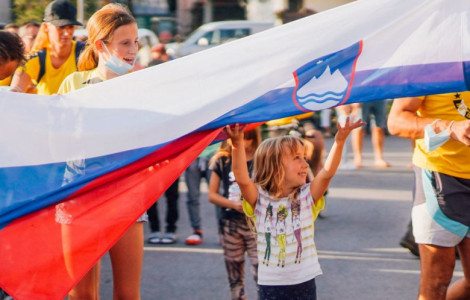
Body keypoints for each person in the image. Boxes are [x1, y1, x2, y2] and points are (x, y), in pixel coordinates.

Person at [57, 4, 143, 299]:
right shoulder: (73, 84)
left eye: (136, 42)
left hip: (127, 198)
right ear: (100, 46)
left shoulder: (144, 86)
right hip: (77, 199)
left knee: (128, 295)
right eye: (125, 43)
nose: (133, 50)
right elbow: (54, 140)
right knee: (82, 295)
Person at [226, 116, 363, 299]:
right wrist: (237, 144)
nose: (305, 164)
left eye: (304, 157)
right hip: (271, 284)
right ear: (274, 167)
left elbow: (327, 173)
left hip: (304, 281)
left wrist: (339, 141)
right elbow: (242, 178)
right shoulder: (259, 199)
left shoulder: (307, 196)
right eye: (297, 158)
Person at [387, 93, 470, 300]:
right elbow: (397, 121)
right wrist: (449, 127)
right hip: (442, 174)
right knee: (436, 282)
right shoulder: (431, 65)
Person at [208, 128, 261, 300]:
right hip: (230, 223)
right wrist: (233, 204)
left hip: (256, 224)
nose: (237, 140)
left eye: (243, 137)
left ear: (252, 139)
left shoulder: (262, 160)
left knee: (261, 271)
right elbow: (212, 195)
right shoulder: (222, 160)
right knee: (234, 274)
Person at [10, 0, 84, 95]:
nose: (66, 33)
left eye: (71, 27)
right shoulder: (35, 58)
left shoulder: (84, 53)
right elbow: (15, 90)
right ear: (45, 27)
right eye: (60, 27)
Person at [184, 143, 220, 245]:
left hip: (214, 154)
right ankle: (197, 231)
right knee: (192, 197)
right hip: (193, 154)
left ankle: (223, 231)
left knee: (219, 196)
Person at [352, 100, 391, 168]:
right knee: (359, 126)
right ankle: (357, 157)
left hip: (379, 94)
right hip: (362, 95)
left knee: (379, 127)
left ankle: (379, 157)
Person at [147, 178, 179, 244]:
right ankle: (154, 229)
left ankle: (171, 229)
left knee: (172, 196)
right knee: (150, 196)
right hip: (150, 169)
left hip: (171, 169)